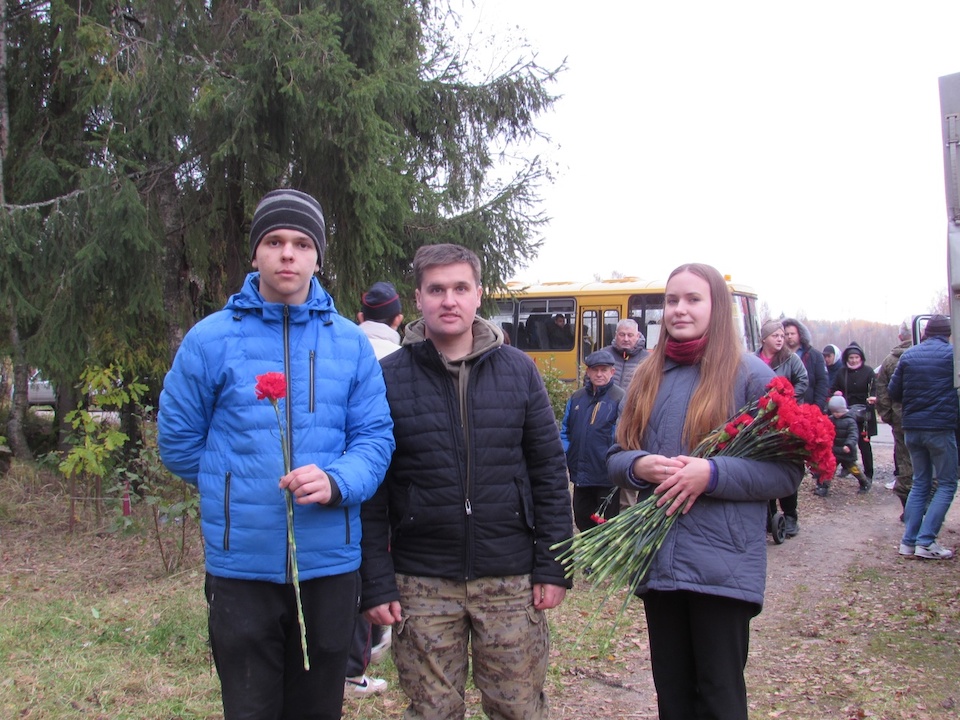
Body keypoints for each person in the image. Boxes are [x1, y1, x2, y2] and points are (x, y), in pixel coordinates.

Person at [157, 188, 395, 719]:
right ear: (255, 253)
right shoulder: (210, 339)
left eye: (302, 243)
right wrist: (231, 485)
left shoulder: (350, 344)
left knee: (316, 708)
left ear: (317, 257)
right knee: (249, 707)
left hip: (328, 562)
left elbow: (375, 440)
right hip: (241, 566)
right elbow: (177, 441)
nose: (288, 253)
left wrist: (336, 481)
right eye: (274, 241)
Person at [360, 243, 573, 719]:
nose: (448, 300)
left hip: (510, 577)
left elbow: (549, 474)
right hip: (422, 579)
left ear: (478, 295)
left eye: (460, 288)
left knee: (517, 708)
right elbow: (372, 491)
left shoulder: (519, 372)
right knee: (432, 711)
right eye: (437, 289)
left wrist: (554, 565)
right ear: (419, 298)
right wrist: (375, 582)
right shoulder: (387, 377)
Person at [607, 263, 803, 720]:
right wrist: (638, 465)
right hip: (659, 561)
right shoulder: (647, 374)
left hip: (723, 566)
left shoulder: (752, 376)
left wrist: (711, 475)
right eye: (672, 300)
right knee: (673, 698)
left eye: (693, 299)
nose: (680, 309)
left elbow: (785, 474)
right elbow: (615, 456)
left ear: (717, 307)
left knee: (719, 698)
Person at [345, 280, 406, 696]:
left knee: (353, 564)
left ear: (361, 317)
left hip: (343, 481)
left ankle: (358, 656)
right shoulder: (404, 359)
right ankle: (361, 658)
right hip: (391, 483)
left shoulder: (343, 349)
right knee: (377, 562)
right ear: (400, 318)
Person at [889, 315, 959, 560]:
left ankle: (908, 541)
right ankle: (926, 541)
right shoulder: (953, 355)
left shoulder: (909, 355)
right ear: (949, 333)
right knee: (948, 482)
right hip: (940, 428)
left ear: (926, 332)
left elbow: (893, 391)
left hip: (912, 428)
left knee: (920, 482)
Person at [561, 348, 625, 532]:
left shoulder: (619, 398)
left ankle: (604, 558)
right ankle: (588, 559)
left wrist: (614, 462)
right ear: (587, 371)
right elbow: (566, 431)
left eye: (603, 370)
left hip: (606, 475)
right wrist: (565, 455)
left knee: (605, 525)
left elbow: (623, 437)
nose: (599, 374)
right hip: (581, 475)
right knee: (581, 519)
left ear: (612, 372)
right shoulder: (577, 398)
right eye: (594, 370)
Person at [756, 319, 808, 537]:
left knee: (786, 465)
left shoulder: (791, 359)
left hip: (787, 419)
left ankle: (790, 515)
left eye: (781, 336)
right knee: (764, 467)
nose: (780, 339)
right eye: (775, 336)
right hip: (762, 420)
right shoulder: (754, 359)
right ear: (764, 339)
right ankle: (769, 516)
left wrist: (786, 399)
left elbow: (803, 381)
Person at [875, 320, 913, 505]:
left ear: (900, 337)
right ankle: (928, 509)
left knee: (905, 462)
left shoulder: (890, 361)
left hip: (901, 419)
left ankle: (907, 506)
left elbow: (882, 392)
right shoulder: (933, 355)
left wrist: (889, 415)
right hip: (929, 419)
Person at [829, 342, 877, 484]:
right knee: (844, 441)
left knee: (864, 444)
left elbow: (874, 388)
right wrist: (836, 393)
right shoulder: (842, 372)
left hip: (864, 413)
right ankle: (846, 467)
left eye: (856, 357)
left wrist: (873, 398)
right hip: (846, 412)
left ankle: (868, 473)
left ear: (861, 358)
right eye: (851, 358)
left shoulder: (868, 371)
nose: (854, 360)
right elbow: (833, 388)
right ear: (847, 359)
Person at [814, 395, 869, 496]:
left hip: (846, 452)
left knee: (853, 469)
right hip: (835, 451)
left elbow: (853, 435)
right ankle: (824, 487)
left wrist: (849, 445)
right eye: (833, 412)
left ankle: (864, 482)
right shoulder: (831, 419)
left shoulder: (850, 421)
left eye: (837, 412)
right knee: (830, 470)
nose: (835, 414)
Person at [783, 318, 829, 410]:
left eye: (792, 334)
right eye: (786, 334)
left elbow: (822, 382)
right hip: (786, 406)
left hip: (809, 406)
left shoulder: (815, 355)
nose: (789, 337)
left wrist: (817, 407)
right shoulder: (779, 356)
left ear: (800, 334)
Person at [604, 318, 649, 390]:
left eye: (630, 335)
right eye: (622, 335)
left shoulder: (647, 359)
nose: (626, 339)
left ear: (637, 336)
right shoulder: (604, 354)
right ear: (616, 335)